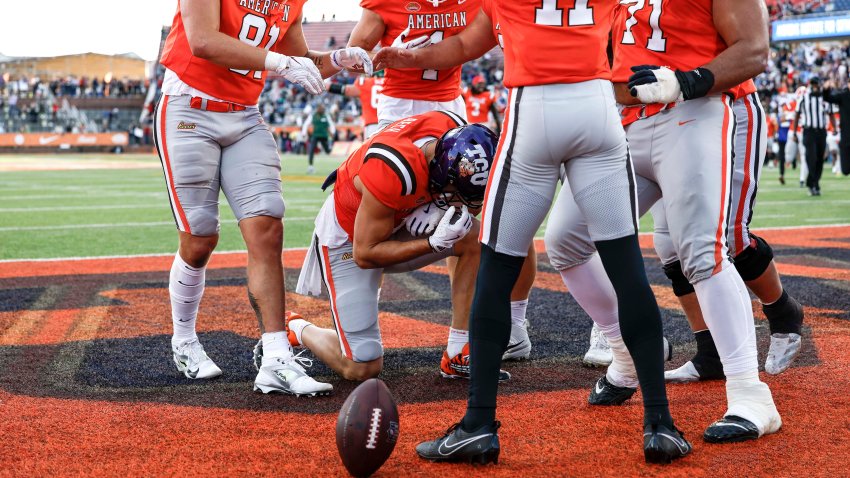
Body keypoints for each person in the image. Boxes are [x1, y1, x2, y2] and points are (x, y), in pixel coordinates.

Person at [375, 0, 689, 464]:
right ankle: (660, 424)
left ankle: (478, 423)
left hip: (535, 108)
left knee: (497, 270)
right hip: (596, 107)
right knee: (627, 270)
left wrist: (406, 59)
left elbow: (465, 42)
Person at [543, 0, 781, 444]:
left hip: (694, 112)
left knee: (700, 251)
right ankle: (624, 353)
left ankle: (751, 394)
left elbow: (753, 50)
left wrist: (686, 81)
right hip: (625, 123)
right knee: (564, 239)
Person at [156, 0, 371, 396]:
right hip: (189, 107)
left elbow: (300, 60)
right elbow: (202, 40)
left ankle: (276, 357)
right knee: (200, 239)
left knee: (267, 227)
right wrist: (280, 63)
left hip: (244, 115)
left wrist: (339, 58)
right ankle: (184, 339)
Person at [350, 0, 536, 360]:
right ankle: (362, 315)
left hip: (450, 108)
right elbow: (359, 52)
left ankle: (506, 327)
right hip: (397, 113)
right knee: (381, 216)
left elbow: (492, 37)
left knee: (490, 206)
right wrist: (372, 54)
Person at [290, 112, 513, 381]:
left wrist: (432, 205)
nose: (466, 204)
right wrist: (432, 242)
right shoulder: (392, 170)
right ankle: (297, 327)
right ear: (440, 172)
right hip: (352, 240)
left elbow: (470, 204)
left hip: (400, 217)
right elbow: (365, 253)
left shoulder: (452, 131)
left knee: (473, 237)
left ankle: (458, 351)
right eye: (455, 193)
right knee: (362, 367)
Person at [664, 80, 806, 382]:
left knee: (730, 235)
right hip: (667, 114)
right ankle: (710, 352)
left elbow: (751, 51)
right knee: (671, 244)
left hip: (729, 102)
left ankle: (783, 312)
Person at [793, 76, 834, 196]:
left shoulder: (824, 99)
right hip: (808, 131)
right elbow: (796, 114)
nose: (815, 86)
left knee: (820, 159)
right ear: (810, 85)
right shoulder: (803, 98)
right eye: (813, 84)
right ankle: (814, 184)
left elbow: (830, 114)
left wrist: (835, 127)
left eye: (817, 84)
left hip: (821, 131)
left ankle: (813, 183)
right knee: (812, 158)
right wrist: (795, 132)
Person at [325, 71, 386, 139]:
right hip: (390, 125)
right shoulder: (391, 83)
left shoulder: (365, 82)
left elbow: (347, 90)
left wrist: (329, 86)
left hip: (372, 125)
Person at [823, 78, 850, 176]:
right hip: (846, 134)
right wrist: (826, 89)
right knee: (845, 170)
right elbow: (828, 98)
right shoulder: (844, 96)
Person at [303, 103, 335, 174]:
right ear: (318, 109)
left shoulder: (326, 116)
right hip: (316, 135)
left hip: (324, 136)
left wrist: (332, 133)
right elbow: (306, 124)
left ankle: (330, 148)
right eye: (321, 108)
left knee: (327, 151)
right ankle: (310, 166)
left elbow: (330, 125)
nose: (323, 109)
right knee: (311, 150)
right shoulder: (313, 116)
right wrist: (304, 133)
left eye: (323, 108)